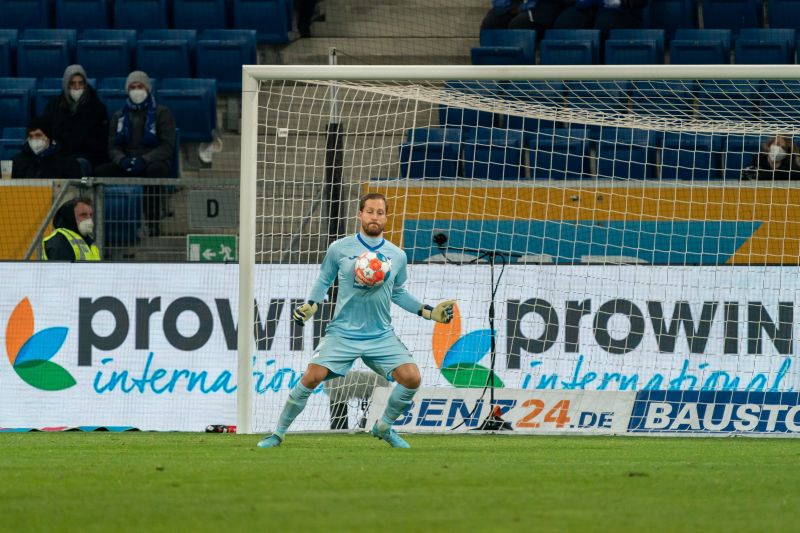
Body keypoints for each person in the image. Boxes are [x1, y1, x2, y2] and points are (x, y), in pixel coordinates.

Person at [257, 192, 456, 449]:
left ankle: (384, 426)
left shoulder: (397, 255)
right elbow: (324, 280)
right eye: (370, 211)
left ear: (386, 217)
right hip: (343, 333)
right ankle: (277, 434)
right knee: (311, 377)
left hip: (380, 335)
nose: (375, 217)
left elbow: (397, 292)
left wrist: (428, 311)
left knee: (412, 378)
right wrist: (311, 305)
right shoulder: (339, 248)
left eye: (380, 212)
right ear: (360, 214)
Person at [94, 71, 177, 235]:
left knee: (155, 171)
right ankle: (105, 221)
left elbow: (167, 146)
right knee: (100, 172)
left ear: (147, 89)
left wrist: (144, 159)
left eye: (140, 86)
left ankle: (153, 221)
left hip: (152, 161)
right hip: (127, 161)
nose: (136, 90)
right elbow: (112, 146)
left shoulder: (162, 113)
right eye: (133, 87)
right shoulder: (119, 116)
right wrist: (122, 160)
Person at [41, 64, 109, 176]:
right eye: (72, 83)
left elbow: (101, 143)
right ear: (66, 84)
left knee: (74, 166)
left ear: (85, 84)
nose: (77, 87)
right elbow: (46, 132)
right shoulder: (53, 106)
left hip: (87, 157)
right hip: (59, 155)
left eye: (80, 83)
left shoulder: (97, 108)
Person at [11, 118, 82, 180]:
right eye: (30, 136)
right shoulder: (17, 162)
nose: (34, 139)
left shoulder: (67, 163)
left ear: (48, 137)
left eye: (38, 135)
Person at [41, 197, 100, 261]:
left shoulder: (88, 240)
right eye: (83, 215)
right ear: (70, 217)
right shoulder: (59, 241)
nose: (89, 219)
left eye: (91, 215)